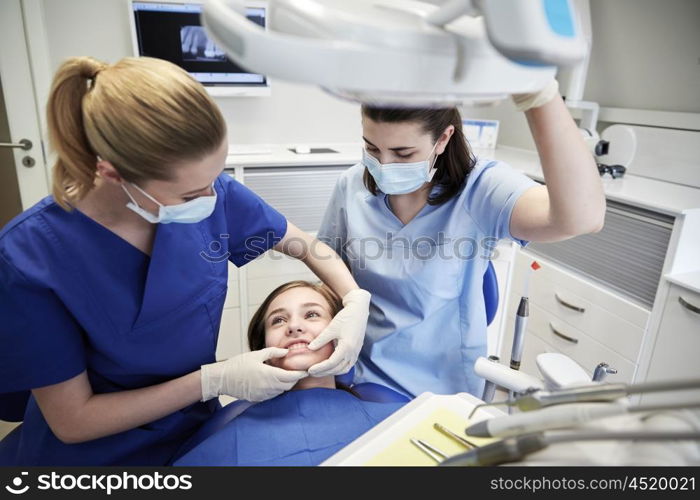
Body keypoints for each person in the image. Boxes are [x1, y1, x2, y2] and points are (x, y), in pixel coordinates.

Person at [0, 56, 370, 466]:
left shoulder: (210, 191)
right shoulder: (31, 258)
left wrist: (353, 298)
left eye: (215, 179)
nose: (212, 200)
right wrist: (216, 379)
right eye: (192, 195)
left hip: (196, 431)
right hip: (97, 455)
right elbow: (73, 422)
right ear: (111, 172)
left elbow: (304, 244)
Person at [317, 81, 606, 398]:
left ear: (443, 139)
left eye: (403, 153)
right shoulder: (352, 184)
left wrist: (540, 98)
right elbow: (328, 272)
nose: (382, 166)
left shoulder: (481, 188)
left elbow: (582, 218)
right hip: (353, 373)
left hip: (436, 390)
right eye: (372, 148)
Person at [172, 281, 406, 466]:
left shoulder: (383, 405)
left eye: (311, 314)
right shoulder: (231, 422)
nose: (294, 326)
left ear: (346, 334)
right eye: (278, 320)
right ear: (262, 348)